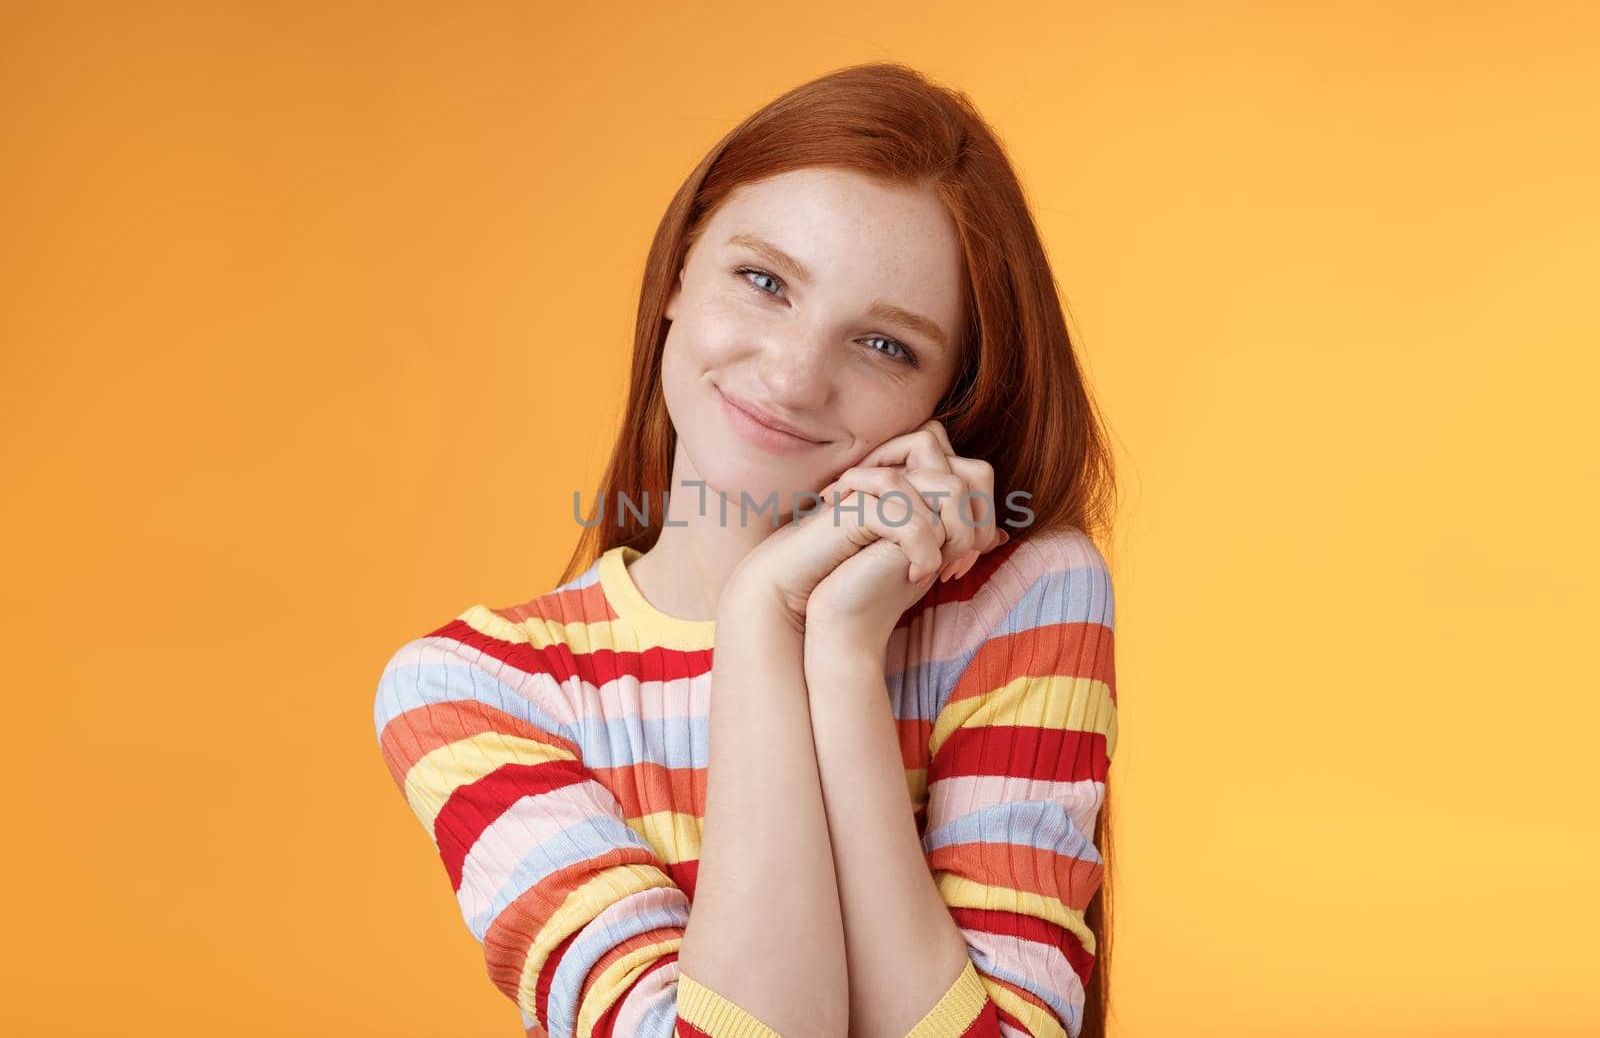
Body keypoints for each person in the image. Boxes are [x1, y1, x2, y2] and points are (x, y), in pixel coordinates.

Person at [373, 61, 1120, 1038]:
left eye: (885, 345)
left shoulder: (1023, 595)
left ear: (946, 399)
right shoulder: (478, 688)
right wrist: (761, 617)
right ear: (679, 268)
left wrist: (840, 653)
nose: (794, 375)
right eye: (764, 281)